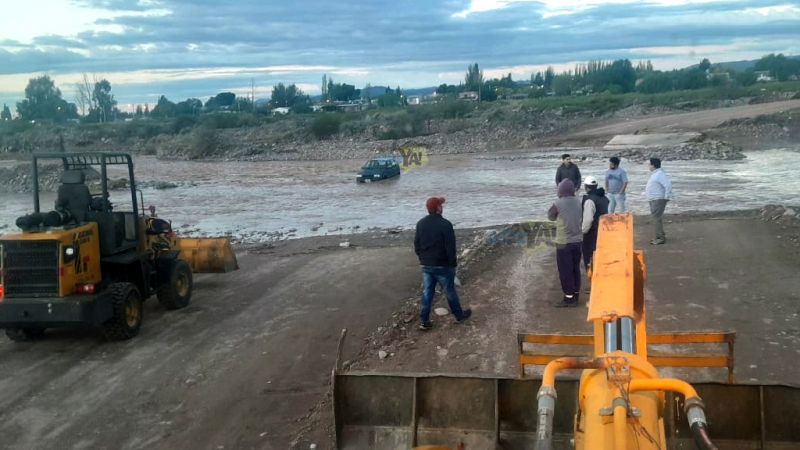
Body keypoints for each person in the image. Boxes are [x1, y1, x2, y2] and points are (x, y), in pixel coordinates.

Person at [414, 197, 472, 330]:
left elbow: (416, 245)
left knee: (427, 292)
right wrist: (452, 264)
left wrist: (423, 259)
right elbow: (450, 248)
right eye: (441, 205)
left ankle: (424, 322)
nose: (442, 207)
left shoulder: (420, 223)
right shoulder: (445, 224)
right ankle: (459, 316)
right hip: (443, 265)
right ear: (438, 208)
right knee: (449, 291)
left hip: (426, 265)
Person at [547, 179, 583, 307]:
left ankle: (569, 298)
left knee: (565, 271)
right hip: (578, 241)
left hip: (564, 243)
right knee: (575, 269)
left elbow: (550, 216)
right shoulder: (579, 201)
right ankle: (576, 295)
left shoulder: (558, 203)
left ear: (560, 190)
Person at [581, 176, 609, 272]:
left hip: (592, 233)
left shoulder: (589, 200)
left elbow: (588, 220)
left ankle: (593, 279)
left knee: (590, 257)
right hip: (604, 231)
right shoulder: (604, 198)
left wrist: (583, 231)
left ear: (586, 187)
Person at [646, 157, 673, 245]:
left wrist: (666, 197)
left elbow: (668, 185)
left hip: (658, 199)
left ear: (653, 165)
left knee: (656, 218)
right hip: (654, 199)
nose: (648, 166)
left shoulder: (660, 174)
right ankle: (660, 235)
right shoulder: (655, 174)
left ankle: (660, 238)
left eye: (649, 164)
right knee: (656, 218)